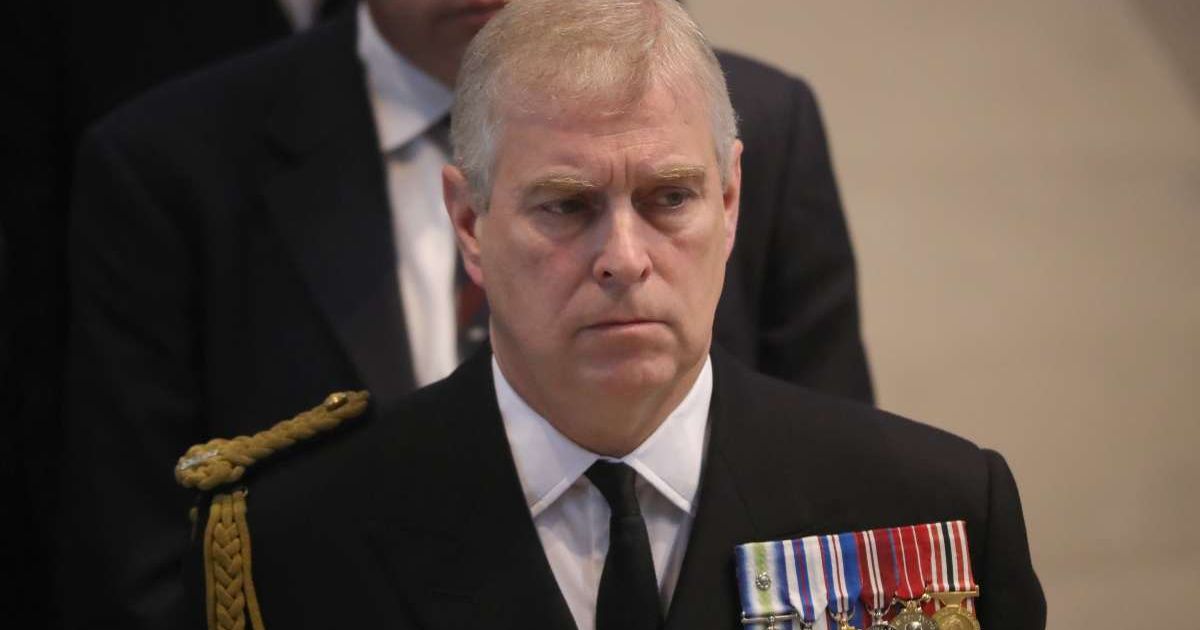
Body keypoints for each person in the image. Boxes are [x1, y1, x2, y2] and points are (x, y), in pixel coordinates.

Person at [173, 1, 1045, 629]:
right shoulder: (301, 535)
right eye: (565, 205)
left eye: (670, 197)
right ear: (470, 224)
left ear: (733, 201)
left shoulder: (927, 505)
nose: (624, 257)